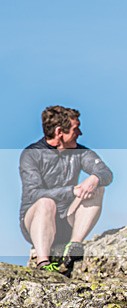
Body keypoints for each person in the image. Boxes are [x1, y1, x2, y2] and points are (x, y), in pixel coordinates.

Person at [19, 105, 113, 274]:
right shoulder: (31, 154)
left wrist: (94, 178)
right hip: (36, 221)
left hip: (67, 219)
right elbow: (32, 193)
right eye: (76, 129)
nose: (80, 133)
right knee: (46, 203)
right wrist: (71, 191)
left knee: (97, 188)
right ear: (59, 131)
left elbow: (106, 173)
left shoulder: (80, 152)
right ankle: (43, 262)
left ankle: (74, 246)